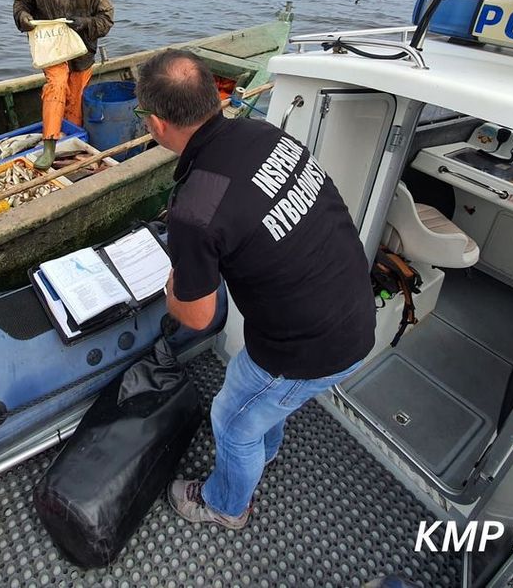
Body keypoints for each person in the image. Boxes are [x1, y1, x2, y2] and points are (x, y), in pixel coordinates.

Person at [135, 49, 377, 530]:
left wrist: (171, 289)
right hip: (354, 309)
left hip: (306, 348)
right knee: (260, 405)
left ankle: (225, 506)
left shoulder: (195, 206)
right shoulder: (264, 134)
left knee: (232, 419)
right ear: (214, 95)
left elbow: (199, 316)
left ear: (158, 124)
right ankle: (262, 448)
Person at [13, 0, 114, 170]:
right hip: (52, 49)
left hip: (83, 50)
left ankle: (69, 145)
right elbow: (20, 4)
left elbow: (106, 19)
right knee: (57, 85)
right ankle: (49, 145)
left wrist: (85, 23)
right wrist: (23, 18)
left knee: (75, 100)